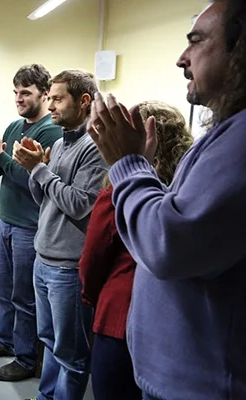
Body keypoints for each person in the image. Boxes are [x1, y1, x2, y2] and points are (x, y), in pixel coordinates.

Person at [86, 1, 246, 399]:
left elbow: (167, 244)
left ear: (240, 48)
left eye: (196, 40)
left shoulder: (241, 141)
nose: (181, 58)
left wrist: (127, 163)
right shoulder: (226, 135)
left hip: (202, 387)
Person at [79, 101, 193, 400]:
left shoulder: (119, 192)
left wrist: (93, 298)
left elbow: (93, 260)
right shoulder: (190, 188)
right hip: (177, 325)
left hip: (120, 318)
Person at [14, 70, 108, 400]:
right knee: (51, 341)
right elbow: (45, 200)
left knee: (71, 355)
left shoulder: (94, 146)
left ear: (84, 101)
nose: (49, 105)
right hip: (45, 258)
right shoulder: (59, 142)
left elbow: (80, 204)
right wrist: (34, 168)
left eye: (57, 98)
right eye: (49, 98)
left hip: (68, 267)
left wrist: (39, 169)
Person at [0, 64, 63, 382]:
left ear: (43, 92)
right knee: (0, 287)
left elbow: (32, 180)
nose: (18, 98)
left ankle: (26, 359)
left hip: (30, 226)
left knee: (24, 296)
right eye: (15, 92)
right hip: (6, 221)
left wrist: (1, 157)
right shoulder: (14, 127)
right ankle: (6, 340)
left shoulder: (50, 131)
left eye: (25, 92)